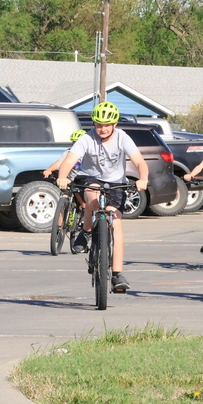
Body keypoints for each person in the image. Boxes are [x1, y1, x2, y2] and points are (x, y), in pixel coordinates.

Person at [56, 101, 149, 292]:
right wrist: (63, 177)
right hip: (92, 178)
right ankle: (87, 232)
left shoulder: (122, 137)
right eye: (99, 125)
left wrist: (143, 178)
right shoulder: (87, 139)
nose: (103, 129)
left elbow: (139, 161)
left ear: (114, 125)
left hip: (116, 183)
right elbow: (70, 160)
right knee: (92, 194)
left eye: (107, 125)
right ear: (94, 125)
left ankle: (117, 274)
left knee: (116, 223)